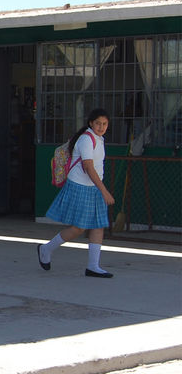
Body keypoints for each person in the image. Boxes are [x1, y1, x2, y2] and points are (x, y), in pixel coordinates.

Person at [37, 108, 116, 278]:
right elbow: (88, 167)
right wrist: (104, 191)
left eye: (104, 124)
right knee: (79, 227)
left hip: (94, 187)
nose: (101, 127)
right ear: (91, 123)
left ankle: (93, 267)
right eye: (98, 123)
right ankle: (46, 249)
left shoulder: (99, 139)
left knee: (98, 225)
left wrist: (100, 189)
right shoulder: (86, 139)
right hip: (80, 186)